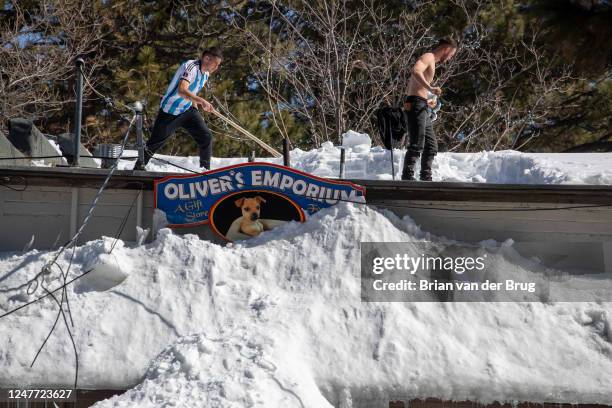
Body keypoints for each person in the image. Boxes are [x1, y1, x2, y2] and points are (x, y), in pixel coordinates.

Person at [134, 47, 222, 171]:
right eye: (216, 64)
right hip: (170, 111)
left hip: (187, 110)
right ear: (207, 58)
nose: (216, 67)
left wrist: (196, 110)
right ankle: (137, 169)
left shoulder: (205, 75)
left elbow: (193, 92)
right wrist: (202, 101)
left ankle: (205, 171)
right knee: (154, 143)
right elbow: (182, 91)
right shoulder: (191, 66)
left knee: (206, 136)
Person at [401, 38, 457, 181]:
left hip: (422, 104)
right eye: (451, 55)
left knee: (431, 145)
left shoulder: (432, 61)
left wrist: (428, 98)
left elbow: (415, 86)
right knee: (417, 143)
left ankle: (426, 178)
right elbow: (415, 70)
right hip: (415, 104)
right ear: (446, 49)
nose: (450, 58)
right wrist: (430, 88)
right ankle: (407, 177)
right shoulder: (428, 56)